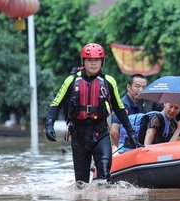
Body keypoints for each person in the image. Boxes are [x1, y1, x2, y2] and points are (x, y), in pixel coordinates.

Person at [44, 43, 140, 184]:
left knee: (104, 171)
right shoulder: (71, 80)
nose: (93, 64)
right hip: (78, 134)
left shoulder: (108, 81)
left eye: (97, 60)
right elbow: (56, 103)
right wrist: (49, 124)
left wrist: (131, 132)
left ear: (102, 62)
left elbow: (119, 108)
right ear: (83, 61)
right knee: (81, 182)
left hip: (100, 132)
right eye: (90, 60)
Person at [110, 74, 160, 147]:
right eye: (137, 86)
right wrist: (122, 150)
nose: (141, 90)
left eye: (144, 87)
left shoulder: (138, 105)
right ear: (128, 87)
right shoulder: (123, 105)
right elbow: (114, 131)